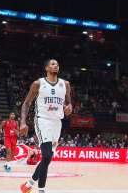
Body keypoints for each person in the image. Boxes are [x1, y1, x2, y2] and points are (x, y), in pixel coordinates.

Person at [19, 59, 73, 193]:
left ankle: (29, 183)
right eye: (53, 64)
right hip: (42, 120)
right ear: (47, 68)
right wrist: (23, 122)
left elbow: (68, 103)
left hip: (57, 123)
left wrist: (69, 107)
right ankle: (41, 190)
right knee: (47, 155)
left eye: (57, 64)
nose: (56, 66)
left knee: (47, 158)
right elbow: (26, 103)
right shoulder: (38, 83)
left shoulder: (65, 84)